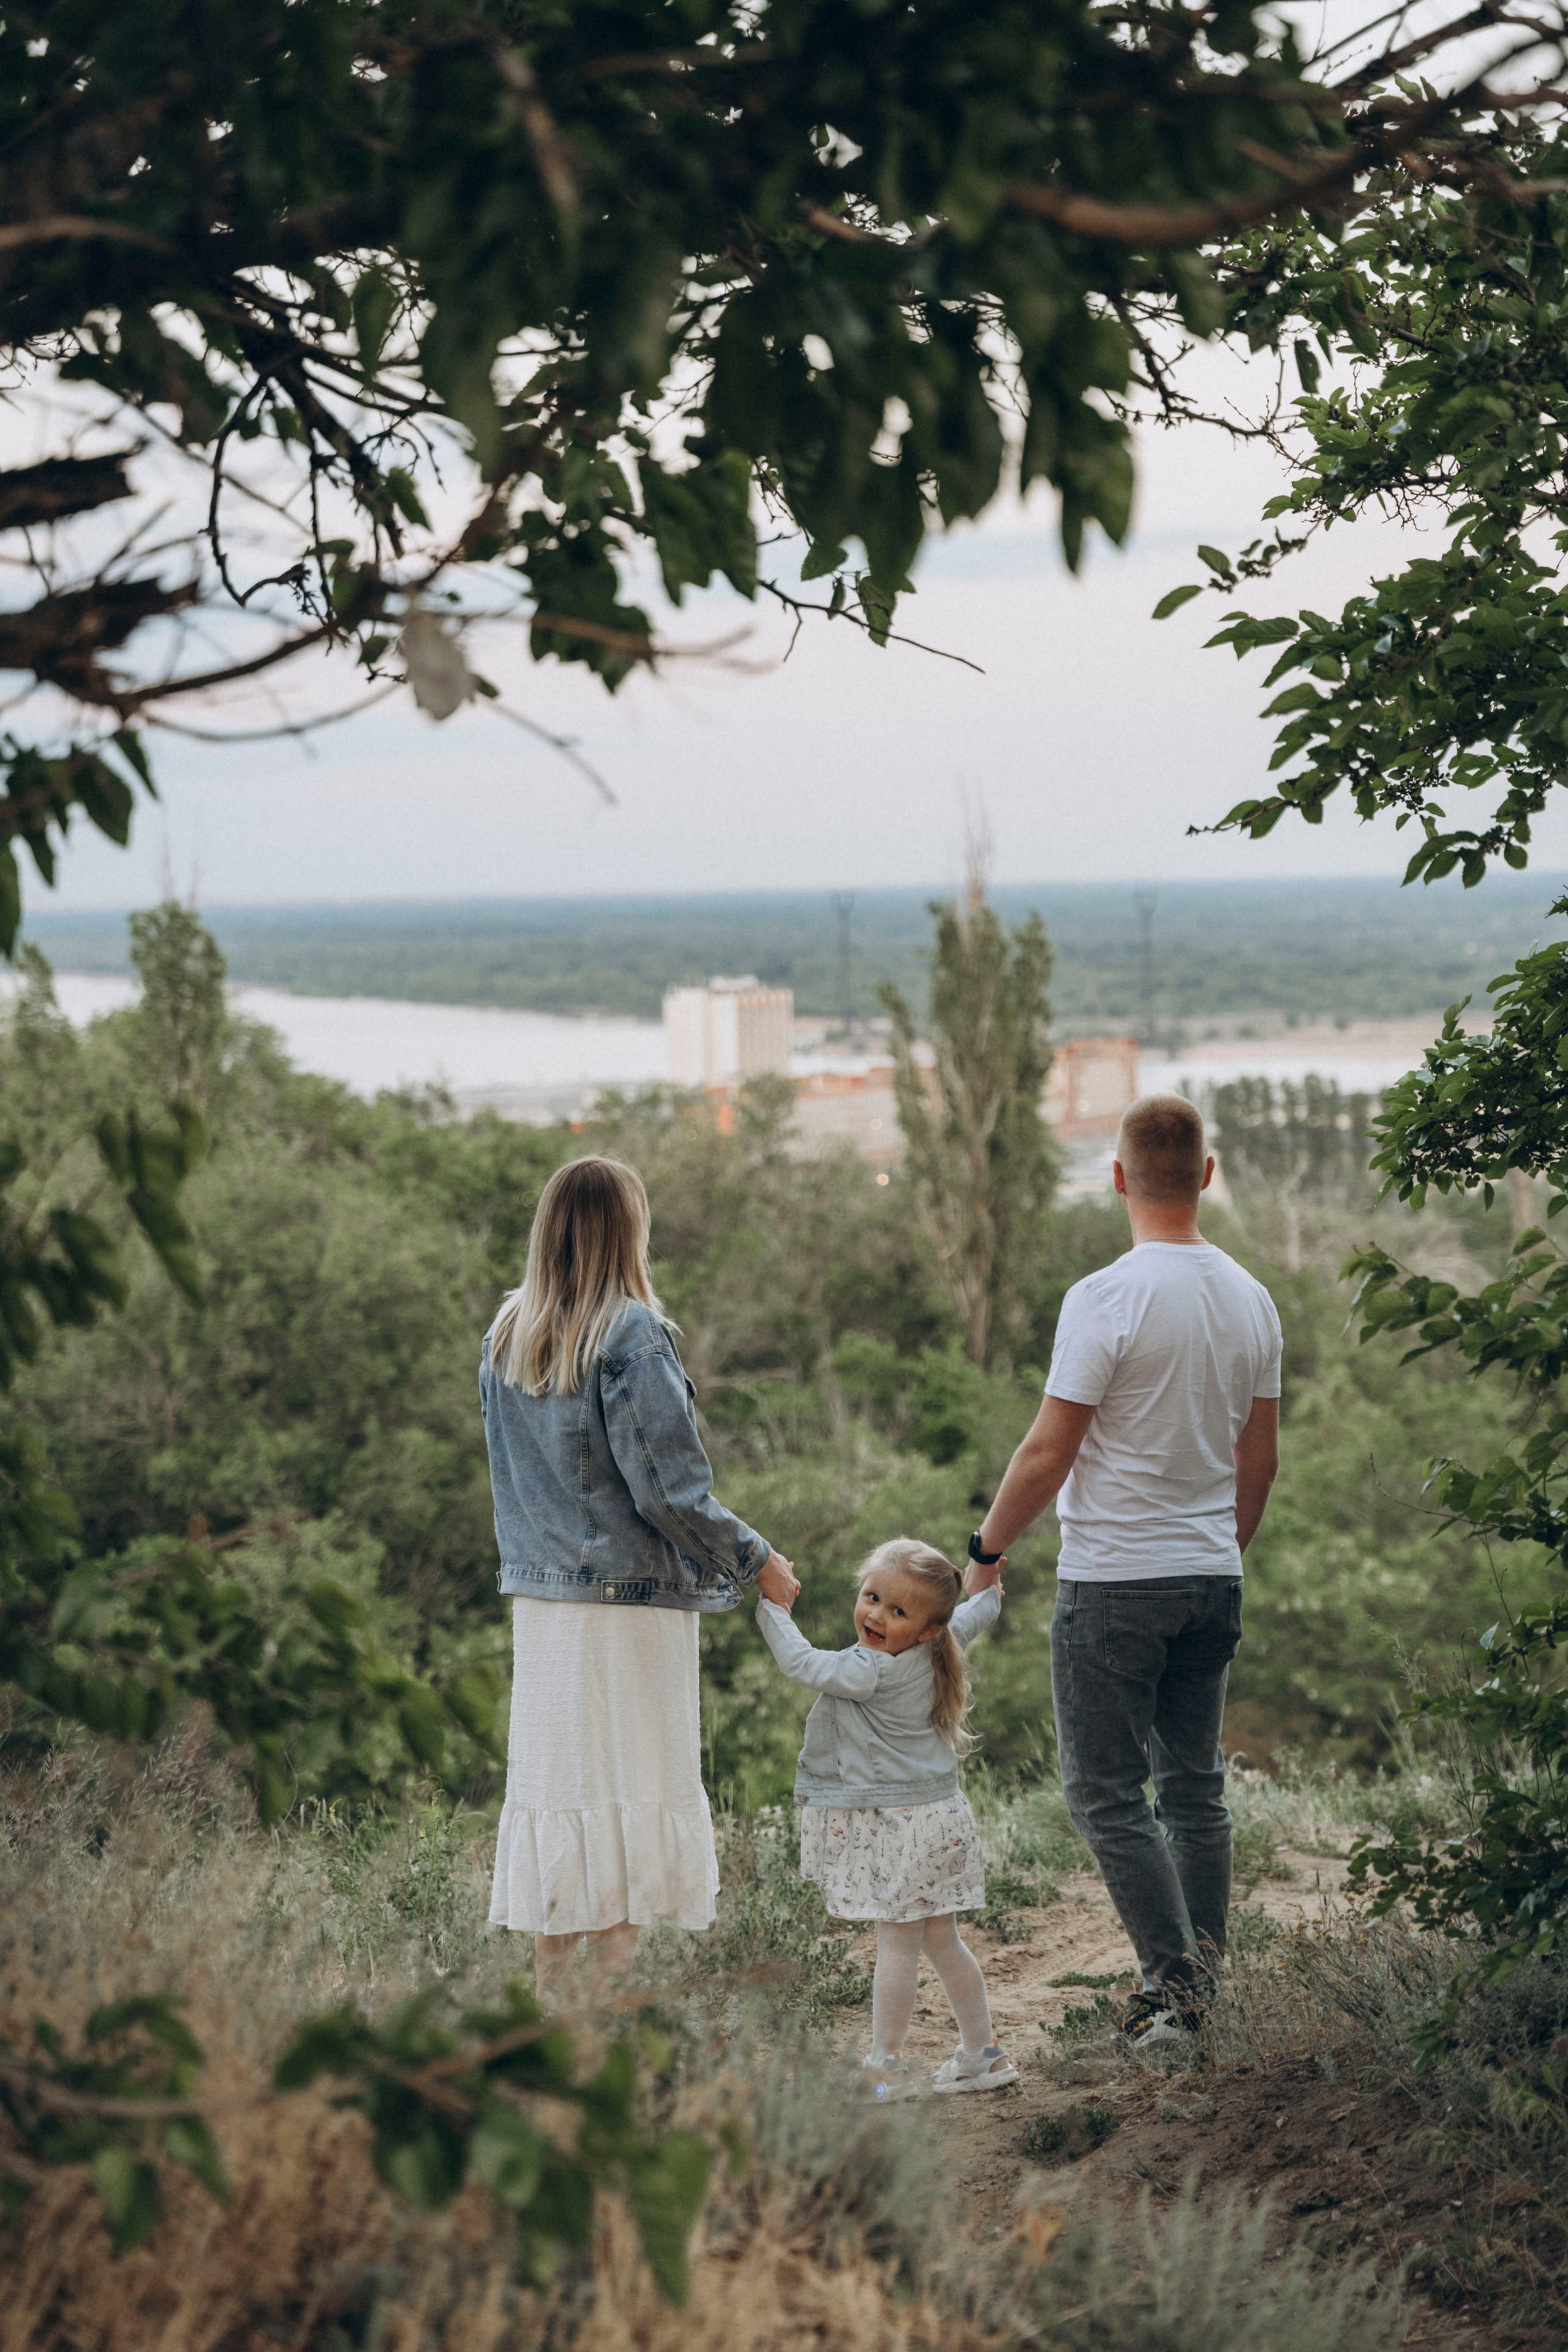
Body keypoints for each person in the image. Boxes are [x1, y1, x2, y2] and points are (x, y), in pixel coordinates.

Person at [970, 1094, 1281, 2048]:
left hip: (1113, 1584)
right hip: (1210, 1574)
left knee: (1105, 1795)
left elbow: (1046, 1453)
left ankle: (1174, 1993)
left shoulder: (1105, 1296)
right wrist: (1220, 1551)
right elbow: (1260, 1460)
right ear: (1207, 1177)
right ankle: (1201, 1991)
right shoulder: (1251, 1297)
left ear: (1117, 1178)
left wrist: (985, 1552)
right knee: (1192, 1788)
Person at [481, 1154, 800, 2003]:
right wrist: (758, 1561)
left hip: (545, 1614)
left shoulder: (507, 1332)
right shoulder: (632, 1335)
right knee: (624, 1805)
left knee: (566, 1802)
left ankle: (557, 2023)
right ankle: (607, 2029)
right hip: (626, 1608)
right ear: (631, 1231)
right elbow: (671, 1491)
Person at [756, 1537, 1018, 2097]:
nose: (876, 1615)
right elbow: (977, 1611)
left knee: (896, 1945)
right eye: (873, 1597)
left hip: (901, 1827)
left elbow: (800, 1662)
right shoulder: (943, 1643)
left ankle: (887, 2068)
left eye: (898, 1611)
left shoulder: (868, 1672)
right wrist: (990, 1581)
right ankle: (985, 2056)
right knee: (943, 1942)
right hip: (943, 1817)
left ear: (926, 1629)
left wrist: (771, 1607)